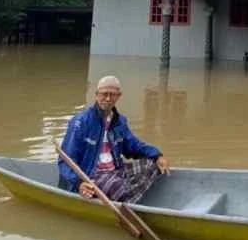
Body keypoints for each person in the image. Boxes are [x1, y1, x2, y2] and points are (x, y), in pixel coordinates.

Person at [57, 75, 170, 203]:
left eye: (113, 95)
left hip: (116, 170)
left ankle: (127, 197)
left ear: (118, 96)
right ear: (96, 95)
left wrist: (157, 155)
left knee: (152, 166)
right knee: (119, 188)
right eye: (104, 94)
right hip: (92, 174)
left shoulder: (120, 121)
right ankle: (127, 197)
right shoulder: (80, 122)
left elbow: (134, 146)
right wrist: (79, 183)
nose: (108, 98)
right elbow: (65, 160)